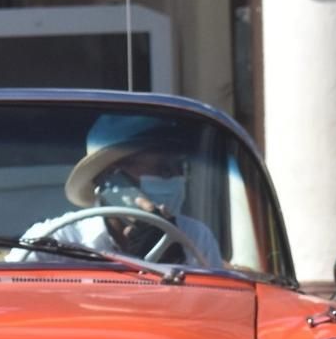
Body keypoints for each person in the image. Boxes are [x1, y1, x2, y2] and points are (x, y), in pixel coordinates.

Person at [17, 113, 225, 267]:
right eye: (162, 169)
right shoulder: (54, 242)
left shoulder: (196, 238)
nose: (175, 179)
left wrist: (172, 260)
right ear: (110, 178)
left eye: (180, 169)